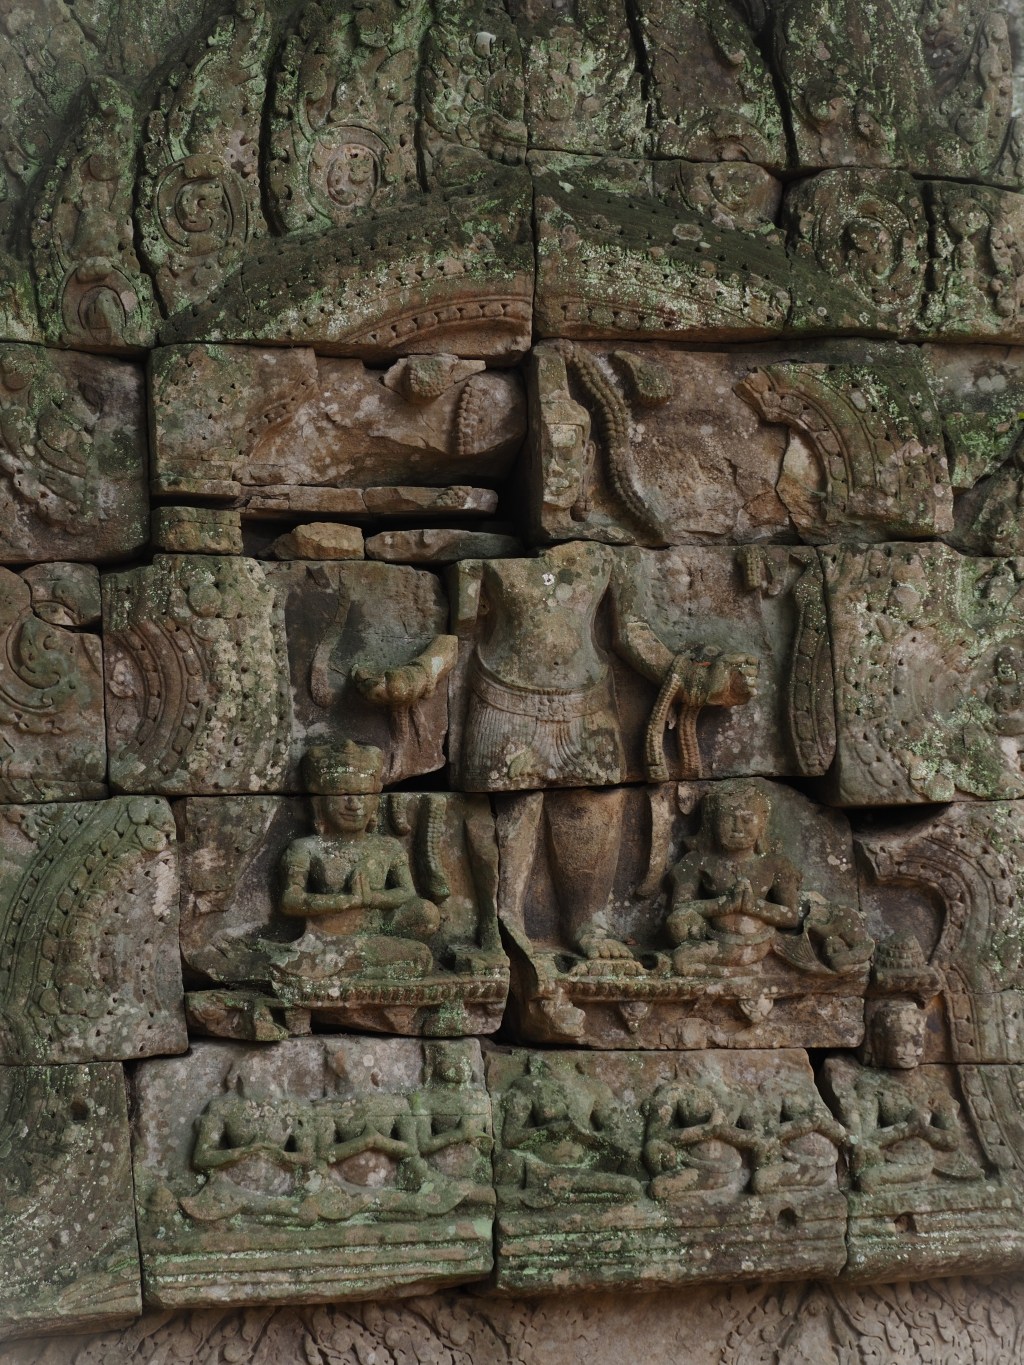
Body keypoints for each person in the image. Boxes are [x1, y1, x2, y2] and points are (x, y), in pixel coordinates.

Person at [269, 741, 440, 982]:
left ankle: (340, 968)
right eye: (342, 795)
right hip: (327, 935)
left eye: (362, 795)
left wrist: (371, 898)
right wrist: (346, 900)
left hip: (377, 931)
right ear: (319, 803)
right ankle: (337, 966)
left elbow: (407, 893)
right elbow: (290, 901)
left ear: (375, 802)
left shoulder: (388, 846)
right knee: (417, 960)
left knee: (425, 925)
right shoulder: (306, 848)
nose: (354, 804)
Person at [666, 782, 801, 971]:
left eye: (747, 820)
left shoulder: (776, 864)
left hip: (762, 942)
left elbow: (792, 916)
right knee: (678, 937)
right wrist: (722, 905)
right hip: (717, 941)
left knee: (681, 961)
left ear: (762, 823)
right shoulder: (697, 861)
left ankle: (727, 973)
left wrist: (753, 906)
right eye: (728, 819)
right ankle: (731, 973)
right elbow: (679, 909)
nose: (737, 828)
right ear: (711, 823)